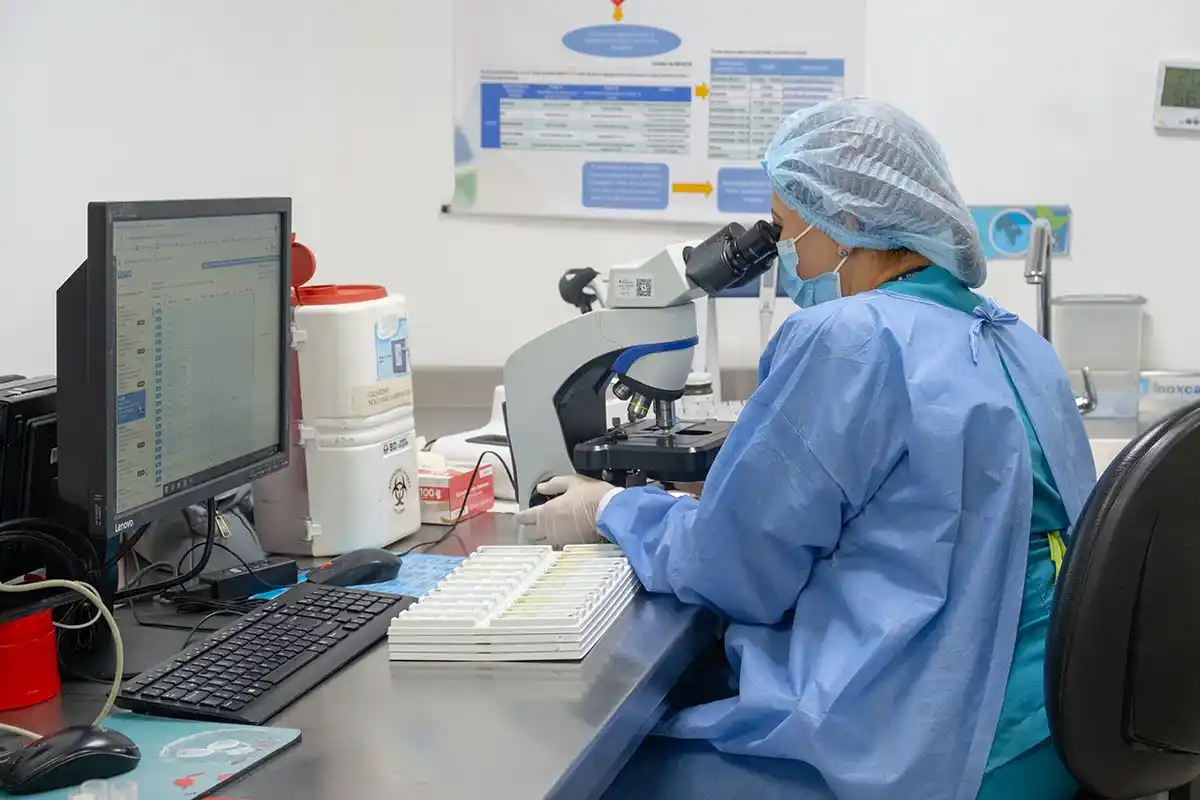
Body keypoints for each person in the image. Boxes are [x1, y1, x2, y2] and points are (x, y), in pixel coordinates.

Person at [515, 97, 1097, 800]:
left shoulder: (852, 337)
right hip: (1054, 733)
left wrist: (611, 506)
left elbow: (733, 571)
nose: (782, 253)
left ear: (848, 219)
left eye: (785, 228)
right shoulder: (1017, 342)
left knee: (593, 775)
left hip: (928, 750)